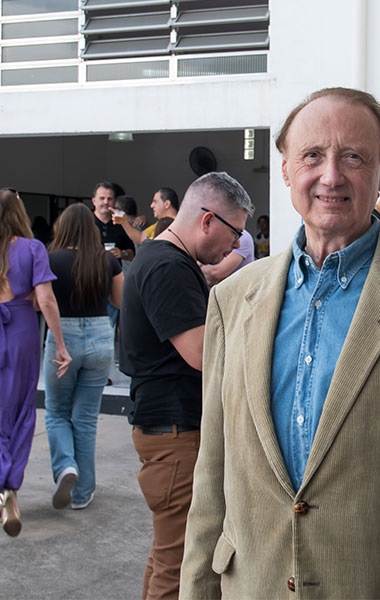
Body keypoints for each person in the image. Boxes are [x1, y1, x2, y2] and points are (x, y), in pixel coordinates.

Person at [180, 87, 380, 599]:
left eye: (353, 157)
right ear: (286, 169)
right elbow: (212, 477)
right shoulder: (232, 298)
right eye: (312, 155)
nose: (331, 176)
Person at [119, 172, 253, 600]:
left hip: (166, 428)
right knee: (179, 567)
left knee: (166, 557)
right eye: (236, 233)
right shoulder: (168, 266)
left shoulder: (161, 257)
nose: (237, 245)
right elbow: (201, 353)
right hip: (175, 433)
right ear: (208, 220)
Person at [43, 203, 123, 511]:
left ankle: (66, 465)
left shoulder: (50, 260)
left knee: (56, 412)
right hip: (100, 336)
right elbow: (120, 301)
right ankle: (82, 493)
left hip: (62, 337)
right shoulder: (107, 260)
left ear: (62, 227)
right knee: (86, 418)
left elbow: (40, 302)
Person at [0, 188, 70, 537]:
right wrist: (60, 345)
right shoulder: (32, 249)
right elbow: (47, 300)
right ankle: (8, 486)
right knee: (19, 409)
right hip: (21, 333)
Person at [92, 182, 135, 262]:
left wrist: (122, 253)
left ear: (114, 202)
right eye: (102, 198)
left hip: (114, 269)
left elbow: (132, 254)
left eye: (109, 199)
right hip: (89, 269)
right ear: (94, 201)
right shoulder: (85, 222)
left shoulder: (120, 222)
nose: (106, 202)